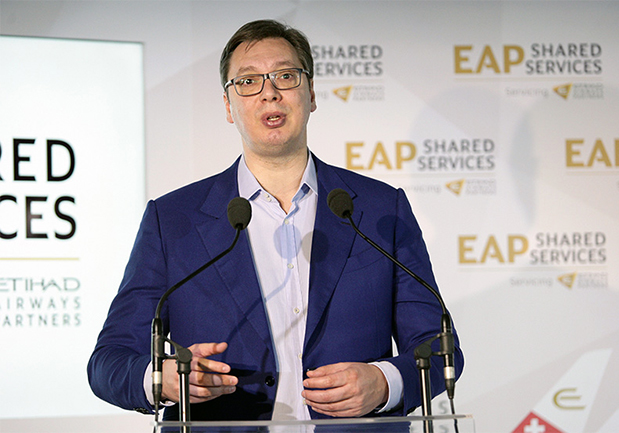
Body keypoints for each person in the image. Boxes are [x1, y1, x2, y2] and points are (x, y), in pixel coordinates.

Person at [87, 19, 463, 421]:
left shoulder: (380, 210)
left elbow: (440, 348)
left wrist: (385, 382)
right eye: (248, 82)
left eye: (285, 76)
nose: (269, 92)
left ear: (311, 94)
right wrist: (162, 379)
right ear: (228, 106)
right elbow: (109, 361)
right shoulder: (172, 220)